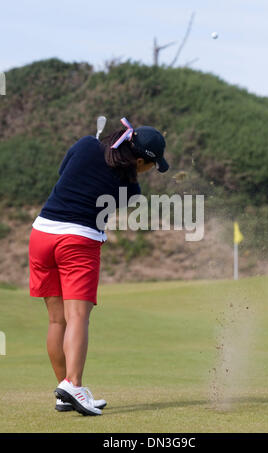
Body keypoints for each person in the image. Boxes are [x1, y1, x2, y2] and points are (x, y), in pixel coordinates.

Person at [28, 117, 169, 416]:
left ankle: (66, 390)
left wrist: (93, 152)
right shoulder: (131, 188)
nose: (148, 173)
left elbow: (64, 172)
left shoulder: (85, 144)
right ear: (141, 160)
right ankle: (74, 385)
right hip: (77, 241)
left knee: (57, 321)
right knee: (77, 316)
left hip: (42, 234)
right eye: (150, 167)